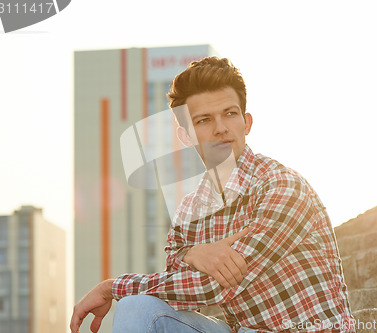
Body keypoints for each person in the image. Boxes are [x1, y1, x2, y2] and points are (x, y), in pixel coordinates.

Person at [70, 57, 355, 333]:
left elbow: (212, 286)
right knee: (137, 308)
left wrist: (111, 287)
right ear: (186, 137)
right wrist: (194, 252)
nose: (221, 128)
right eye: (204, 120)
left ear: (247, 122)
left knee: (128, 296)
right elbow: (174, 280)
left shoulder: (282, 186)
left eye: (230, 114)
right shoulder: (189, 211)